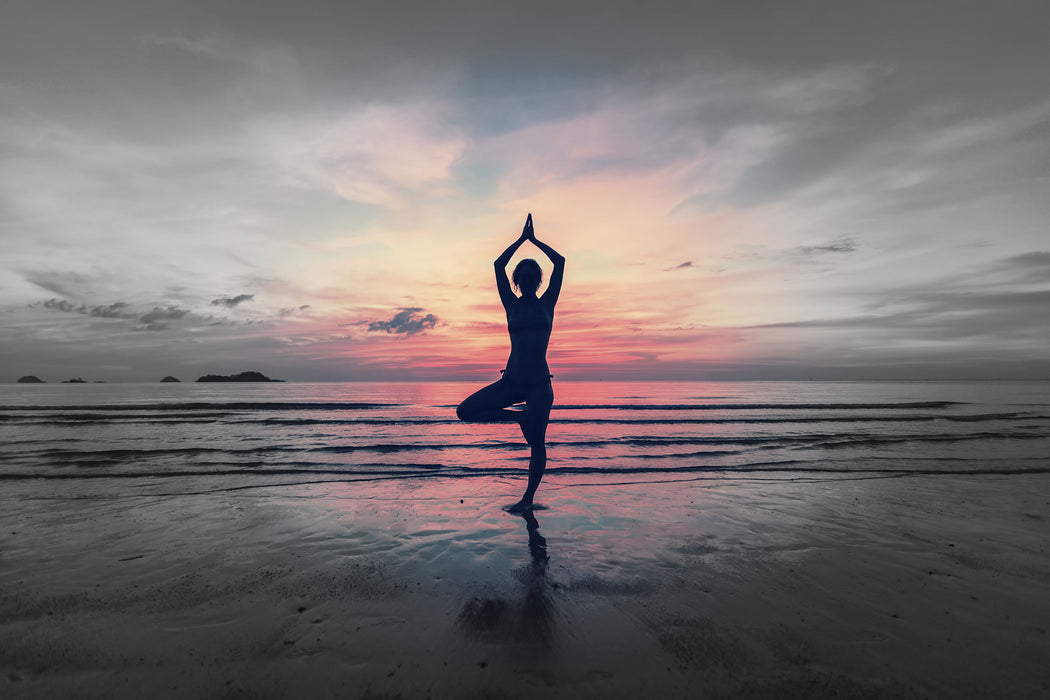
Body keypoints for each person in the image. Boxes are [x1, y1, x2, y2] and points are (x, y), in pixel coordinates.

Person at [456, 213, 565, 513]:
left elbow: (561, 263)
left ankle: (527, 499)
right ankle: (519, 418)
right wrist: (520, 240)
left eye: (534, 276)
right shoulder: (511, 304)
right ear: (517, 281)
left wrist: (535, 241)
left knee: (538, 444)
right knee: (464, 411)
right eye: (524, 276)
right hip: (512, 380)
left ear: (539, 280)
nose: (529, 280)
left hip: (540, 385)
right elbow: (497, 266)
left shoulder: (548, 303)